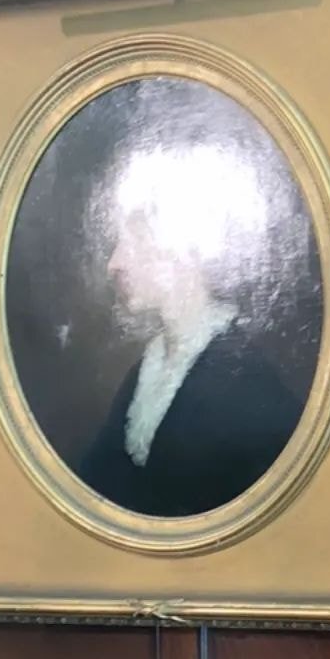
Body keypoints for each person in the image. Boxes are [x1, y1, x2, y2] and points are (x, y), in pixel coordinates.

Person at [79, 142, 308, 518]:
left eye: (131, 241)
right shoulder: (145, 371)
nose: (113, 263)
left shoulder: (246, 380)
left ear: (179, 248)